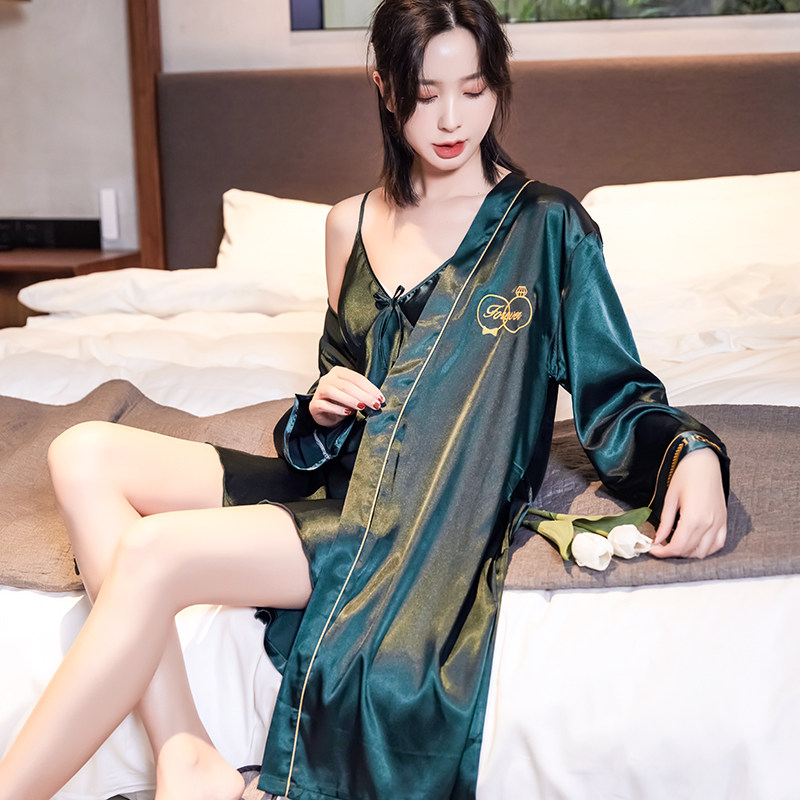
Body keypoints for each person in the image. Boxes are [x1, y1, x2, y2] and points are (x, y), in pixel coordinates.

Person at [0, 2, 728, 799]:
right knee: (81, 452)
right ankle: (186, 755)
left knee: (151, 551)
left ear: (498, 85)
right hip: (345, 487)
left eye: (474, 90)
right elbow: (338, 392)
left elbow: (618, 391)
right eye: (426, 93)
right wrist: (320, 405)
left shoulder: (548, 227)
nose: (452, 120)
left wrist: (689, 453)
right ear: (385, 86)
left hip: (416, 517)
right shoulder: (348, 224)